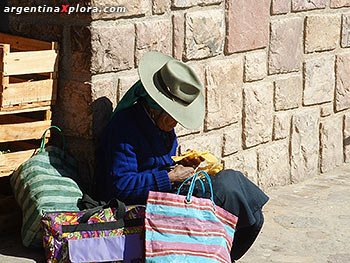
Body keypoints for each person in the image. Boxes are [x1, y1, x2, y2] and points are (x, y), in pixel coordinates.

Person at [95, 51, 269, 261]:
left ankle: (223, 253)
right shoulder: (124, 128)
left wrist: (181, 165)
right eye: (172, 115)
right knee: (226, 190)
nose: (175, 124)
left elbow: (160, 162)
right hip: (140, 204)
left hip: (163, 190)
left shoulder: (161, 125)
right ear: (155, 106)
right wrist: (170, 177)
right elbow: (119, 185)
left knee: (239, 192)